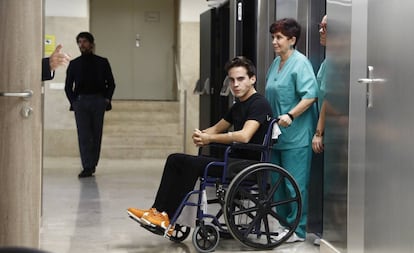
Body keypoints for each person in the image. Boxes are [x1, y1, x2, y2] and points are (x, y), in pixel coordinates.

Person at [127, 56, 273, 236]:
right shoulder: (238, 105)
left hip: (245, 166)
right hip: (232, 160)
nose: (235, 84)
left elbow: (244, 136)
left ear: (252, 79)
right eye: (232, 80)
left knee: (191, 165)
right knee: (175, 159)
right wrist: (202, 134)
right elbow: (216, 128)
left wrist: (210, 139)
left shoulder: (259, 104)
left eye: (241, 79)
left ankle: (168, 217)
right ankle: (158, 212)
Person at [265, 18, 318, 243]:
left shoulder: (300, 63)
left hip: (296, 135)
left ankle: (297, 229)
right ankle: (282, 225)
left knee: (294, 183)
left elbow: (310, 95)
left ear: (292, 40)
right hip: (277, 136)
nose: (274, 42)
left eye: (279, 38)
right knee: (276, 183)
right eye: (273, 37)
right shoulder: (276, 63)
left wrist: (290, 115)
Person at [64, 32, 116, 178]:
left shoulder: (102, 62)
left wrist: (106, 99)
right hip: (81, 102)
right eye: (79, 42)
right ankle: (87, 166)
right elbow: (68, 86)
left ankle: (92, 164)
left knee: (96, 134)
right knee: (84, 135)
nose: (82, 45)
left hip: (98, 101)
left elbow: (111, 83)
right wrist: (74, 102)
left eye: (85, 41)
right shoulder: (74, 64)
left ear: (92, 44)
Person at [311, 15, 327, 246]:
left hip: (332, 130)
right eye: (320, 26)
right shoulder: (326, 62)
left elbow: (329, 100)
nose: (321, 31)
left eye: (327, 27)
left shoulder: (336, 62)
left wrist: (319, 132)